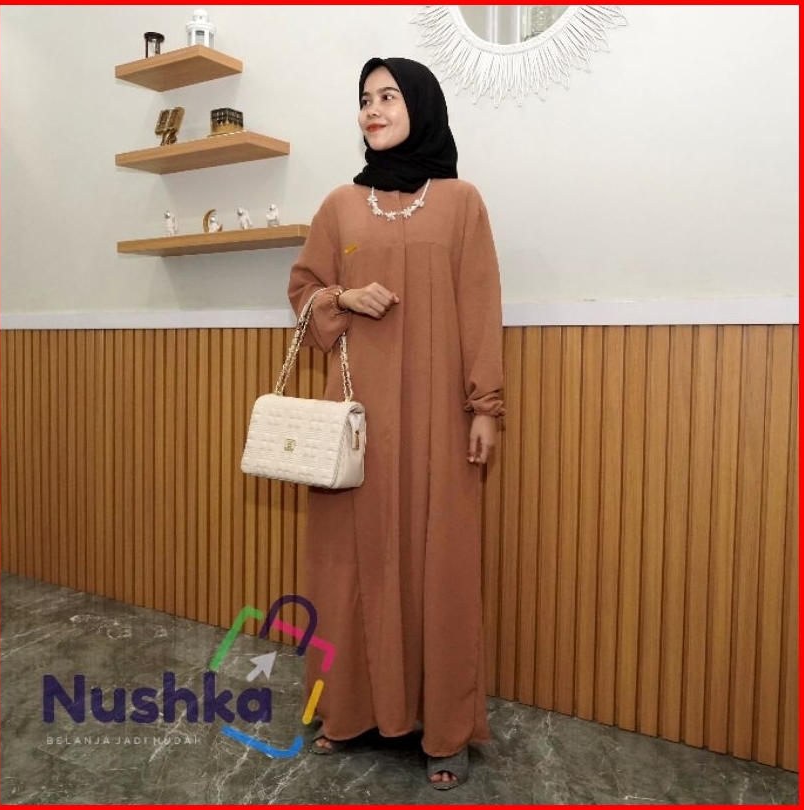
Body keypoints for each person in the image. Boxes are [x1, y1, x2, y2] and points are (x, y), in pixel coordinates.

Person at [287, 56, 505, 791]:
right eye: (364, 98)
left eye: (387, 96)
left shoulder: (462, 202)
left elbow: (480, 306)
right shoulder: (340, 205)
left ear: (421, 106)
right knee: (349, 561)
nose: (372, 109)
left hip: (440, 420)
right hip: (355, 422)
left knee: (440, 564)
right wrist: (343, 297)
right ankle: (345, 711)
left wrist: (485, 407)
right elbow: (303, 291)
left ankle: (444, 730)